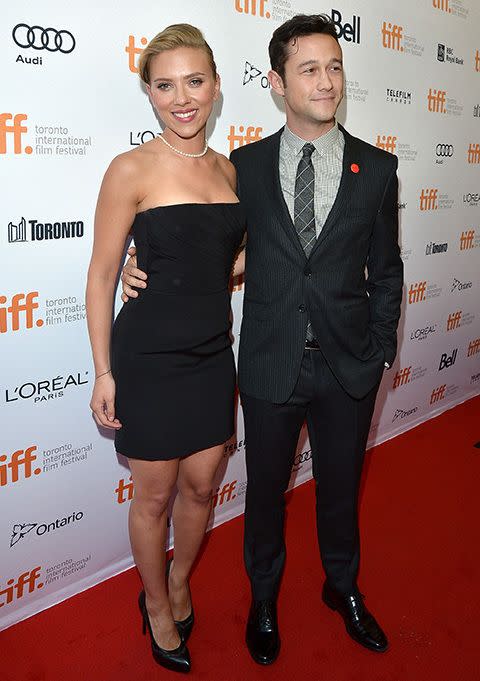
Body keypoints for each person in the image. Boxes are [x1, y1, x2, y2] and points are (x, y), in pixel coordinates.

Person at [121, 14, 403, 665]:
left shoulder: (378, 168)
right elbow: (208, 242)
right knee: (264, 494)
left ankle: (343, 587)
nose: (326, 81)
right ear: (277, 82)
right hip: (270, 363)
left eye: (334, 66)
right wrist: (146, 267)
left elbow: (386, 272)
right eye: (309, 69)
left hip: (348, 368)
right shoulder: (240, 167)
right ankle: (264, 599)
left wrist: (379, 349)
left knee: (340, 490)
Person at [86, 24, 245, 674]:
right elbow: (100, 276)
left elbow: (228, 261)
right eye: (165, 85)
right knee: (152, 496)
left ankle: (181, 578)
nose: (183, 98)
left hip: (212, 352)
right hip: (148, 357)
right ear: (149, 94)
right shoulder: (130, 168)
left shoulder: (229, 168)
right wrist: (102, 370)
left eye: (195, 81)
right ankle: (156, 602)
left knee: (203, 485)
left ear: (214, 86)